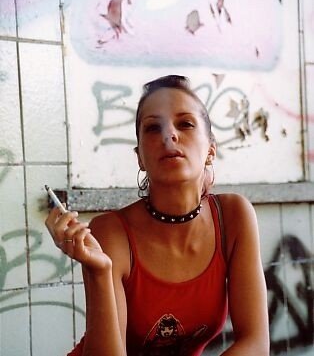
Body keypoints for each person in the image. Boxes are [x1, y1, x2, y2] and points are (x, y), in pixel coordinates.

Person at [45, 75, 269, 356]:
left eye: (185, 124)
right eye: (153, 127)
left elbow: (256, 344)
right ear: (139, 157)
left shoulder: (234, 216)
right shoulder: (111, 232)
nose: (169, 135)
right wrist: (99, 271)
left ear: (211, 150)